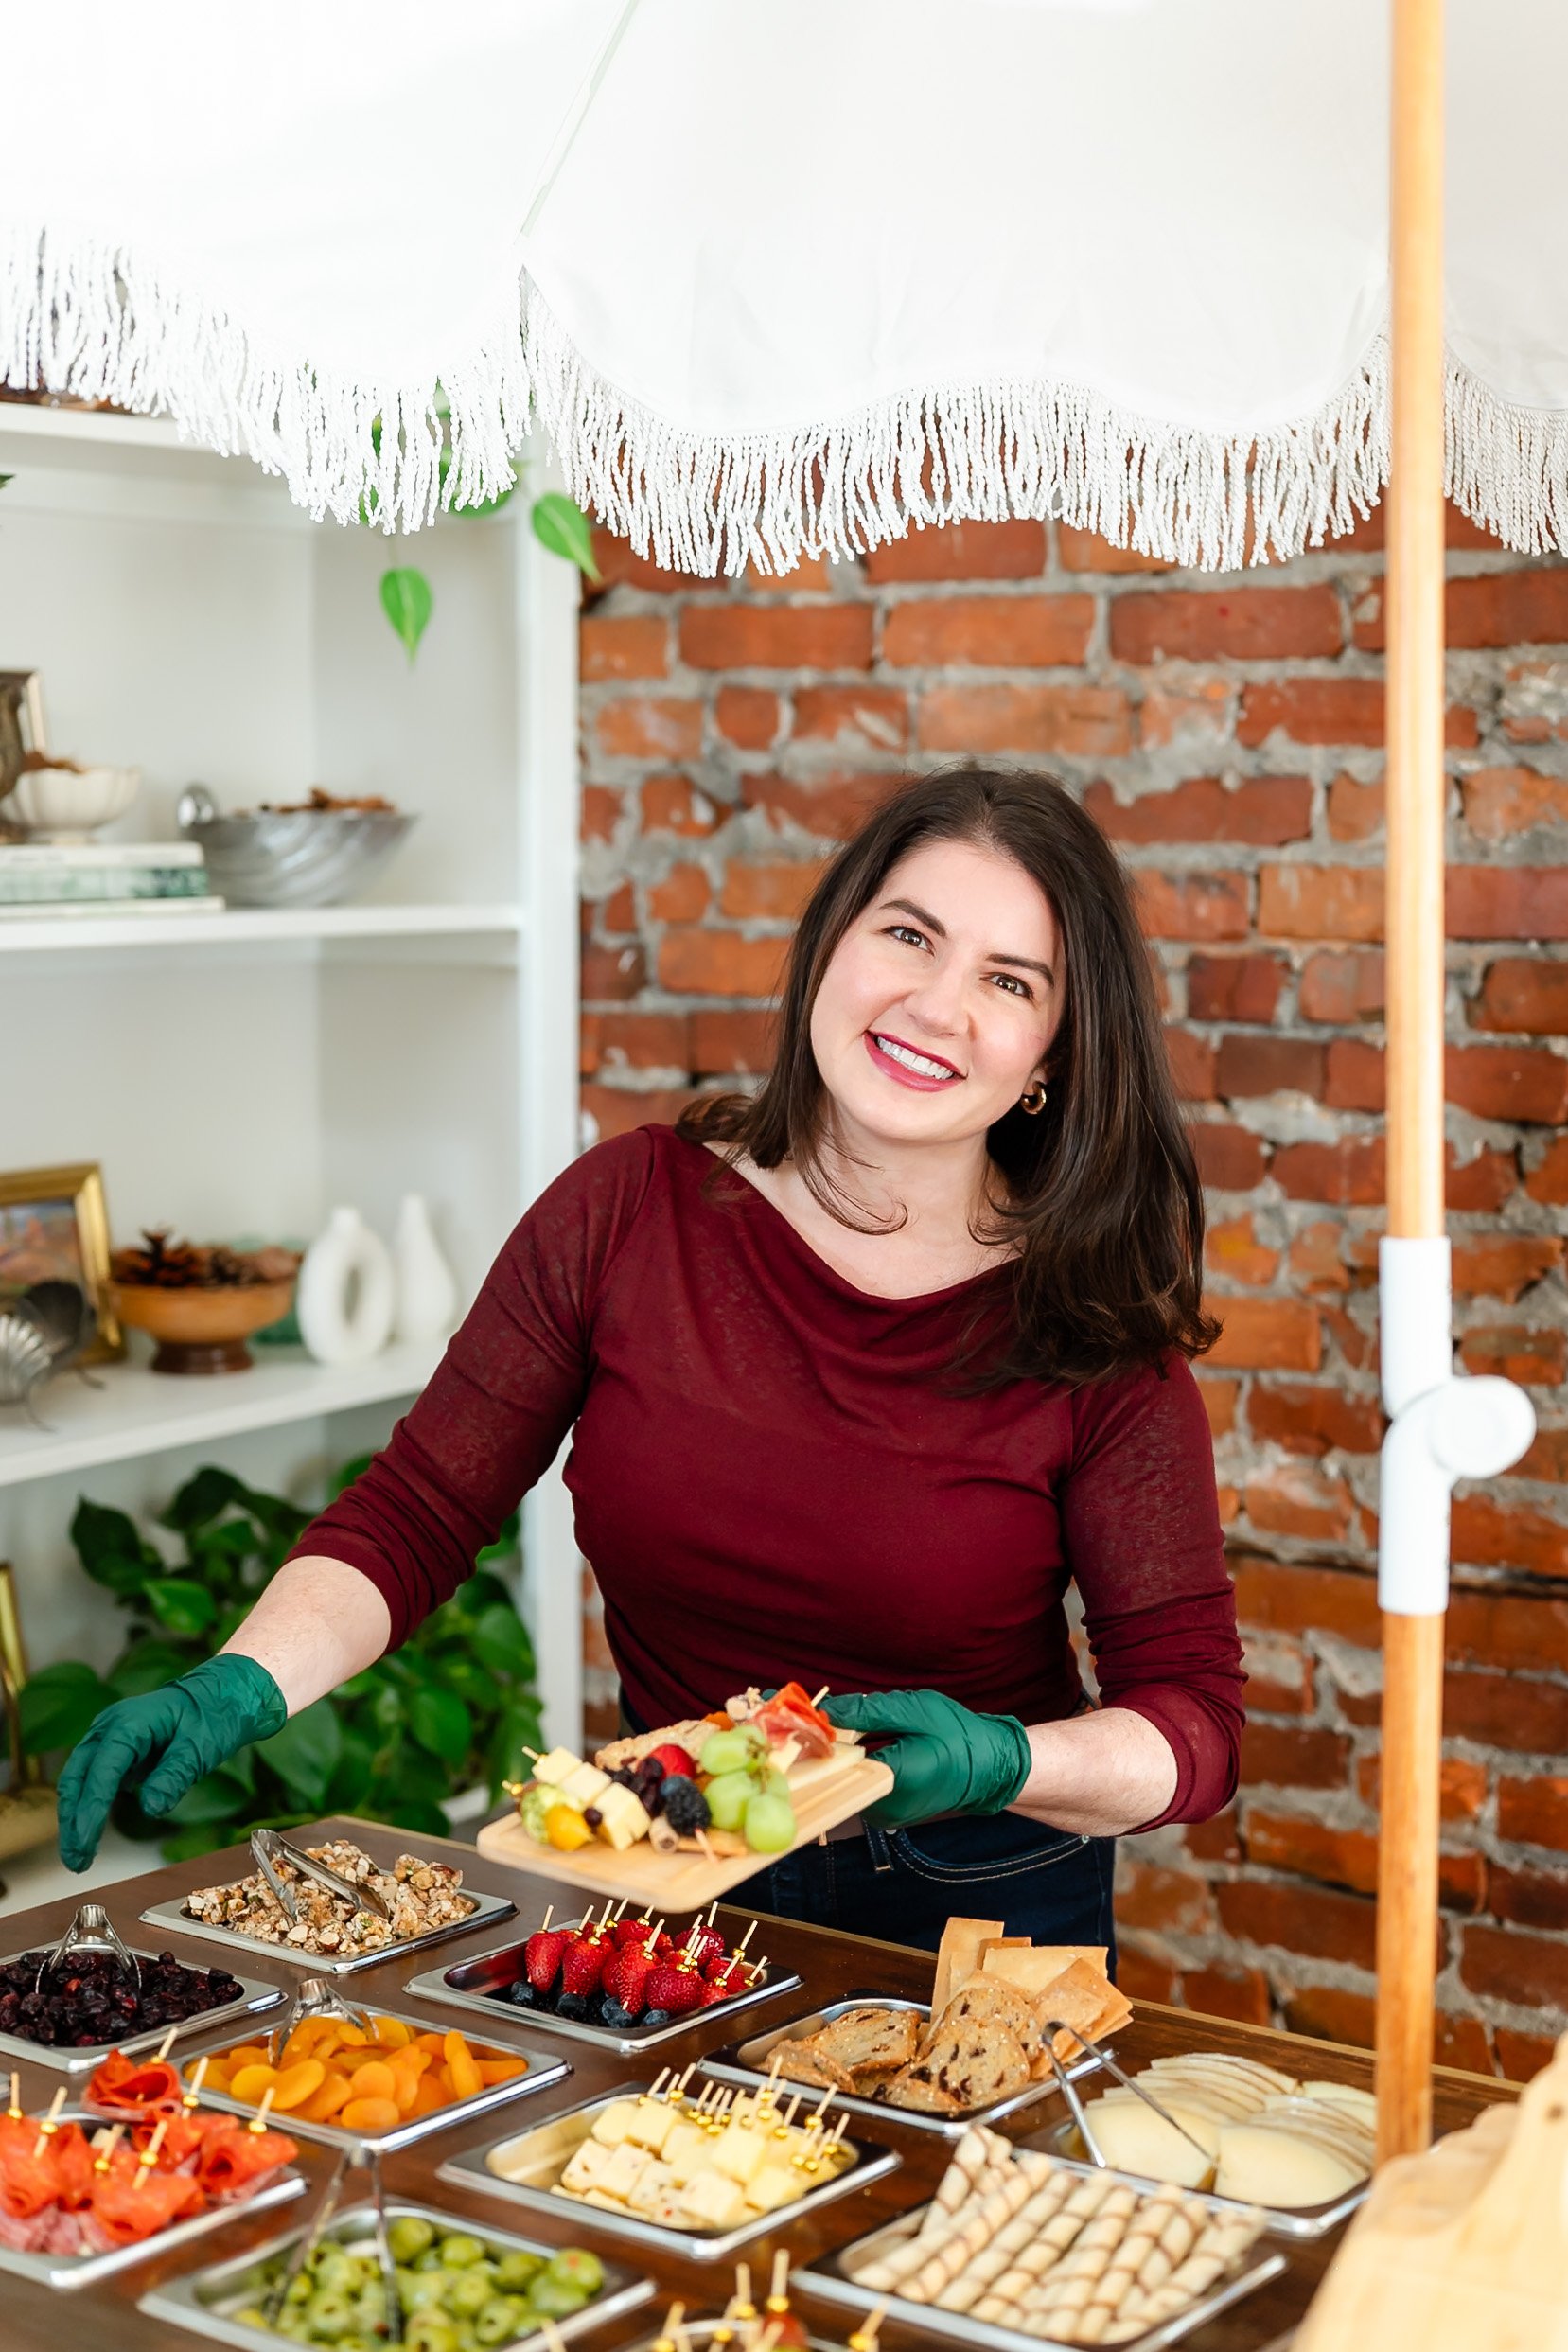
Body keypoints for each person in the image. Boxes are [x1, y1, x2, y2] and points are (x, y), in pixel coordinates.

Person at [56, 763, 1243, 1956]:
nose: (937, 1006)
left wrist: (1002, 1760)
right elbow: (418, 1511)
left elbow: (1194, 1725)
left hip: (980, 1911)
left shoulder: (1093, 1335)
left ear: (1047, 1053)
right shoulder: (628, 1210)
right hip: (664, 1882)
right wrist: (241, 1683)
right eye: (908, 935)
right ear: (833, 944)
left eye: (1006, 980)